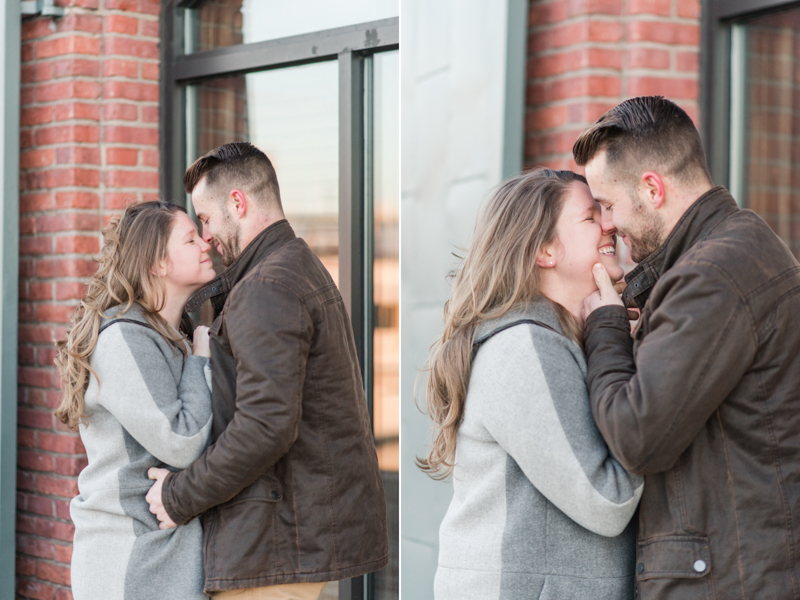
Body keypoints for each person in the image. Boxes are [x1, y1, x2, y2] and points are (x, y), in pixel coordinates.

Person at [576, 96, 800, 599]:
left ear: (652, 188)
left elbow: (638, 437)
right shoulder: (739, 245)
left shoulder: (710, 276)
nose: (606, 224)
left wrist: (606, 326)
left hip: (729, 581)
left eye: (608, 205)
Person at [145, 142, 388, 599]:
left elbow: (265, 426)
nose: (206, 234)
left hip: (279, 545)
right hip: (289, 538)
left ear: (238, 202)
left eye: (207, 218)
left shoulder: (268, 285)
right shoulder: (291, 267)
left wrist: (178, 496)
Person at [419, 168, 644, 600]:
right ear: (544, 250)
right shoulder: (524, 347)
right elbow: (607, 499)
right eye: (590, 216)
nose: (609, 224)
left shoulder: (557, 342)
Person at [55, 200, 217, 599]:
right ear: (158, 264)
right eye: (190, 238)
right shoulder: (125, 339)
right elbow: (181, 441)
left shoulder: (169, 334)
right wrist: (201, 360)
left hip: (159, 554)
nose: (205, 244)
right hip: (128, 561)